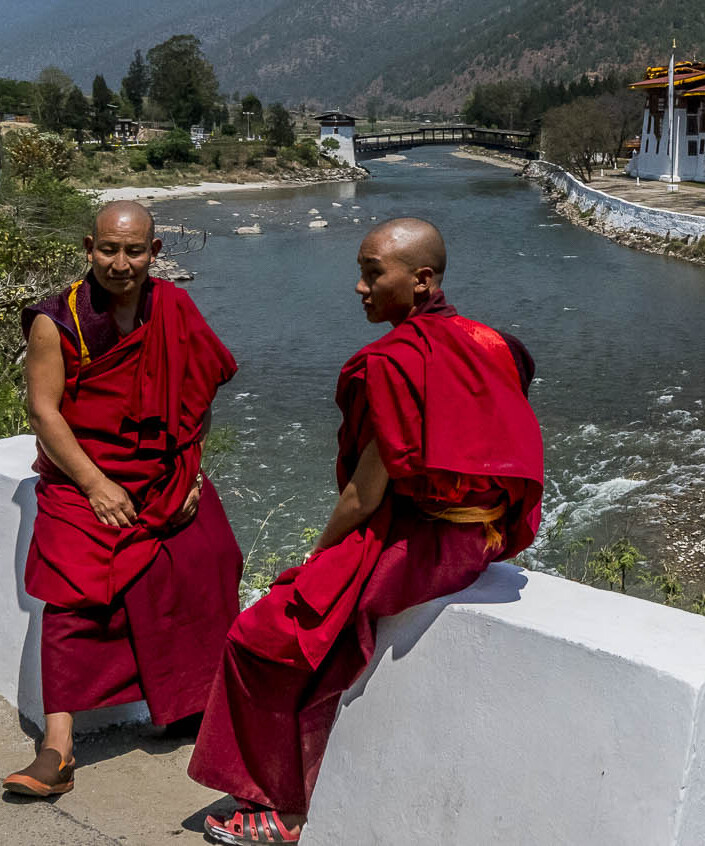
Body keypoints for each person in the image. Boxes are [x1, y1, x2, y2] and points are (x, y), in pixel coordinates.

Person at [188, 217, 543, 845]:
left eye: (373, 272)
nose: (359, 286)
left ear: (422, 279)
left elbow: (363, 493)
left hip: (421, 543)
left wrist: (316, 556)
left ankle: (287, 808)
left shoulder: (395, 364)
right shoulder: (491, 343)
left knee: (263, 635)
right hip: (479, 537)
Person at [3, 201, 242, 799]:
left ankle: (188, 706)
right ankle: (57, 748)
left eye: (134, 250)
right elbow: (44, 412)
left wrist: (191, 476)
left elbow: (200, 394)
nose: (120, 262)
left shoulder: (174, 308)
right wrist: (95, 485)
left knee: (208, 559)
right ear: (89, 248)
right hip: (83, 475)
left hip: (163, 475)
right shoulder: (57, 321)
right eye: (109, 249)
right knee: (72, 590)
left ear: (154, 253)